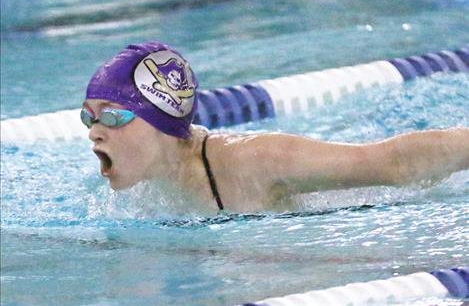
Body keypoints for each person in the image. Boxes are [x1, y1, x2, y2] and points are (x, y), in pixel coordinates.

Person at [82, 41, 469, 212]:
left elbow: (392, 165)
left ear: (161, 121)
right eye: (90, 116)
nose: (94, 131)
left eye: (113, 116)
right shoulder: (136, 187)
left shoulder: (255, 160)